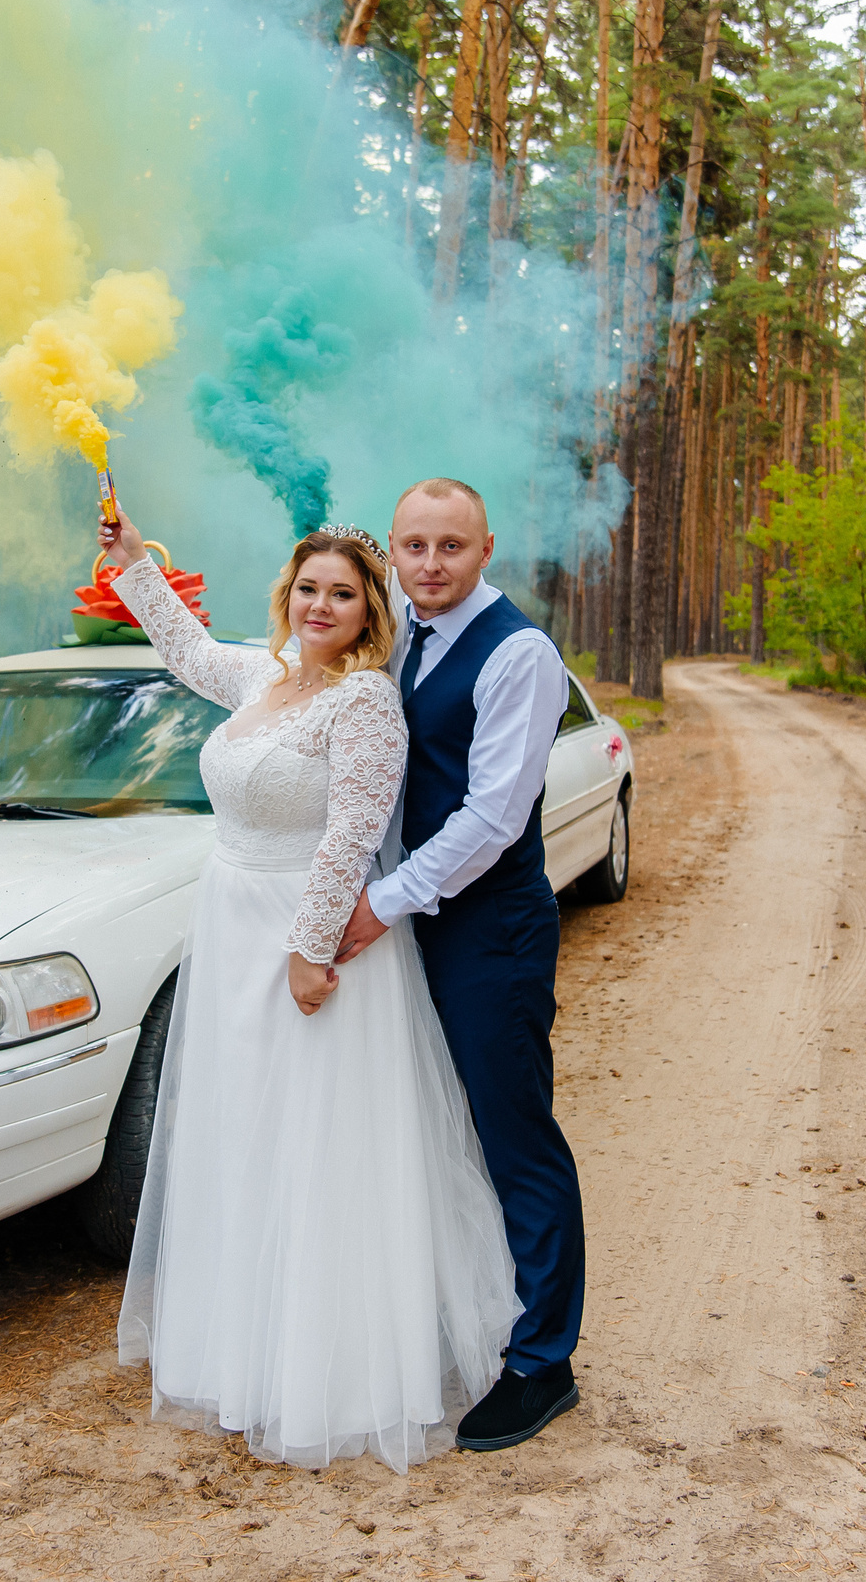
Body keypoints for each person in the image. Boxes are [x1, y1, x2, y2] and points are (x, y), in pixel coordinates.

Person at [102, 505, 519, 1473]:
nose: (321, 603)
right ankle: (243, 1350)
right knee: (246, 1135)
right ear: (287, 596)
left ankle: (327, 1374)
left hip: (307, 939)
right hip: (229, 919)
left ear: (368, 607)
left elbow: (350, 833)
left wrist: (308, 947)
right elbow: (189, 652)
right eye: (307, 588)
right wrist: (130, 564)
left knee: (315, 1141)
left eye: (341, 591)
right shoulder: (264, 673)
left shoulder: (365, 701)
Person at [333, 478, 586, 1452]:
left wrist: (380, 903)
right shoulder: (394, 636)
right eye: (412, 546)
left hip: (489, 929)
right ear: (389, 552)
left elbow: (491, 815)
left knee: (511, 1133)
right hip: (403, 920)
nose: (429, 563)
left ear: (486, 548)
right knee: (421, 1121)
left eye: (449, 545)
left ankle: (542, 1359)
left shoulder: (518, 651)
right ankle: (455, 1309)